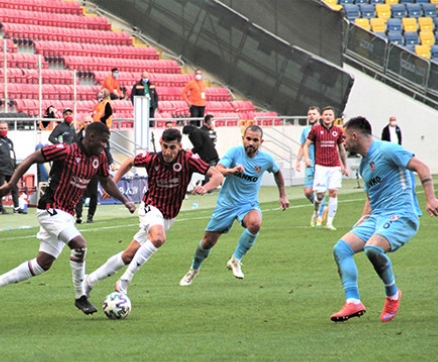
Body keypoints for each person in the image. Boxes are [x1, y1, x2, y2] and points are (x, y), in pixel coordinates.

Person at [0, 122, 136, 315]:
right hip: (50, 209)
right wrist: (12, 183)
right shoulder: (66, 151)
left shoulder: (100, 157)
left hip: (67, 214)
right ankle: (81, 296)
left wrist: (125, 200)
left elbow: (106, 181)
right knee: (79, 245)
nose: (105, 146)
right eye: (103, 141)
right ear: (91, 137)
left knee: (42, 263)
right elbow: (32, 158)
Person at [84, 128, 223, 297]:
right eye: (165, 146)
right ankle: (124, 281)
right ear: (160, 143)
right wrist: (114, 181)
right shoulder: (151, 159)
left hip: (168, 216)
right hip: (151, 206)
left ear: (179, 146)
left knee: (128, 256)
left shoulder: (188, 160)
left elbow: (217, 176)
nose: (168, 152)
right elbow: (129, 162)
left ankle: (90, 280)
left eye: (172, 148)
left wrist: (206, 187)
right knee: (158, 238)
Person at [329, 116, 438, 323]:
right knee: (341, 248)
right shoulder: (364, 166)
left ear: (354, 136)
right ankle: (353, 301)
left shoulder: (388, 150)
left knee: (373, 248)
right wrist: (364, 218)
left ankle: (393, 294)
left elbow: (422, 167)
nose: (342, 142)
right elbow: (371, 196)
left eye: (344, 138)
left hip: (401, 214)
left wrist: (431, 198)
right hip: (377, 217)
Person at [179, 125, 290, 286]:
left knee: (255, 223)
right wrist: (231, 171)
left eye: (255, 140)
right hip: (227, 204)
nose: (251, 143)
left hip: (248, 203)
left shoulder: (266, 159)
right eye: (248, 139)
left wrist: (283, 195)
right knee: (207, 242)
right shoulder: (234, 152)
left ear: (261, 142)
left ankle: (235, 260)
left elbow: (277, 172)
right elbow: (218, 169)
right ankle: (194, 270)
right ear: (243, 138)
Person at [303, 106, 349, 231]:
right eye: (326, 115)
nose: (328, 117)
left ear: (333, 117)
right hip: (321, 166)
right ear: (322, 117)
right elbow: (306, 145)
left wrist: (345, 166)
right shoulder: (315, 130)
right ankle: (316, 213)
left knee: (333, 192)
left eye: (330, 115)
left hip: (334, 166)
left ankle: (329, 222)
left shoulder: (338, 131)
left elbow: (341, 149)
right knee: (320, 195)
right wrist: (306, 158)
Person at [75, 116, 114, 224]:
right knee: (79, 192)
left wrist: (111, 162)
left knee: (93, 193)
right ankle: (78, 215)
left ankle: (90, 216)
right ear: (82, 124)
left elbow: (106, 151)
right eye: (86, 122)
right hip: (81, 169)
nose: (88, 123)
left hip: (94, 168)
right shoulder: (77, 136)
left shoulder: (101, 137)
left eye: (90, 122)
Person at [295, 106, 326, 227]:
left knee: (320, 190)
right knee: (308, 192)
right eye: (309, 114)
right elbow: (302, 146)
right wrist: (298, 161)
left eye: (313, 114)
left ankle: (320, 214)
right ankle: (322, 207)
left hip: (322, 165)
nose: (311, 116)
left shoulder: (324, 129)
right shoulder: (306, 131)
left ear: (319, 116)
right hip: (310, 164)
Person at [0, 122, 24, 214]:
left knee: (14, 188)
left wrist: (15, 167)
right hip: (0, 169)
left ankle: (16, 208)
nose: (3, 130)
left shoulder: (9, 142)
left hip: (10, 169)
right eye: (1, 128)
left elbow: (12, 155)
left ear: (8, 129)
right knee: (0, 189)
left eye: (5, 128)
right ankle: (1, 209)